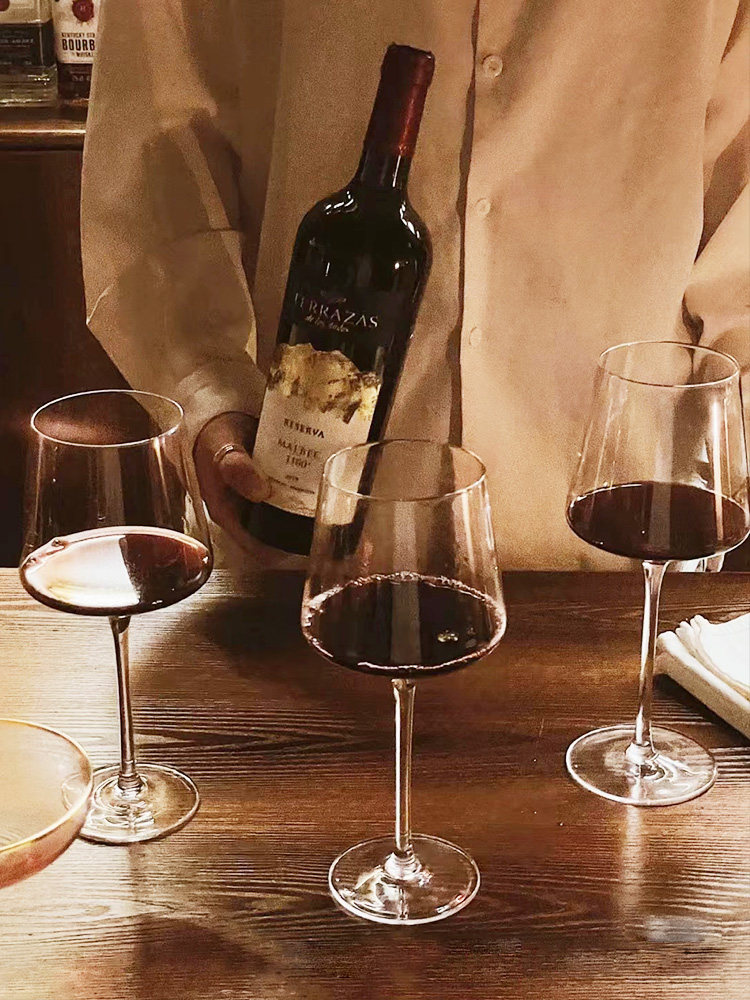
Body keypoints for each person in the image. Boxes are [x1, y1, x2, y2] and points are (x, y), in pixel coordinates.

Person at [80, 1, 749, 570]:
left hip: (626, 540)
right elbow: (155, 130)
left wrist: (726, 441)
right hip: (300, 528)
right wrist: (208, 390)